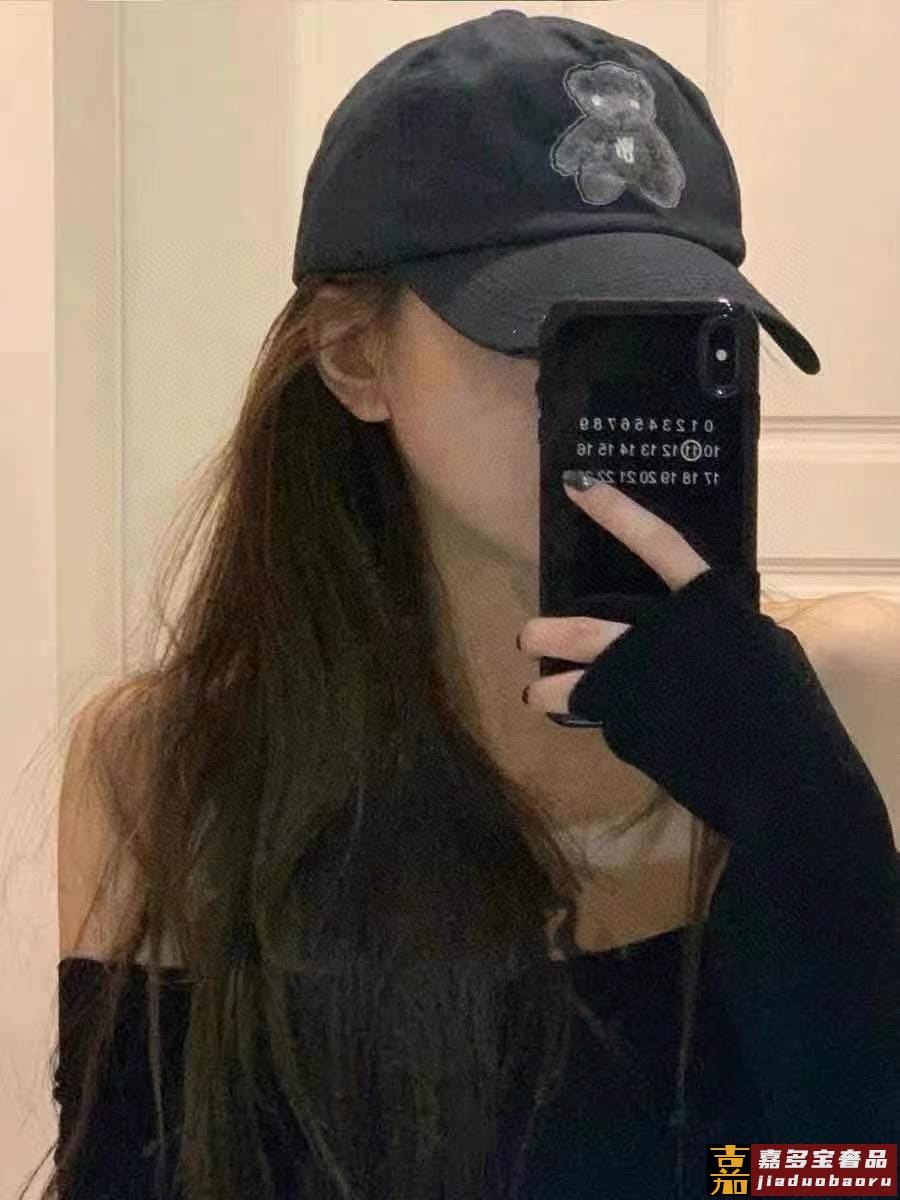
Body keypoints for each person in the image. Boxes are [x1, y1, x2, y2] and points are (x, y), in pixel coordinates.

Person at [24, 10, 898, 1200]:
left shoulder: (856, 700)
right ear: (354, 357)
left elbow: (839, 1176)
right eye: (554, 333)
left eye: (669, 335)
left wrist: (808, 834)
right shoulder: (180, 767)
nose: (615, 400)